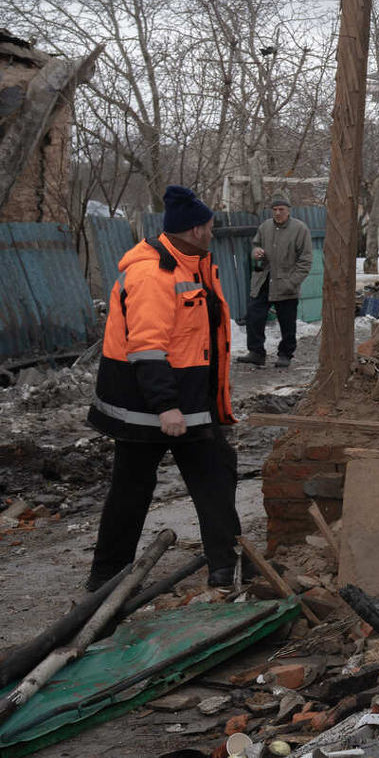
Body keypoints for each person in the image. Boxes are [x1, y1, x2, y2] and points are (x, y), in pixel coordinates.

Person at [88, 185, 242, 590]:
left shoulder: (195, 264)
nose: (213, 232)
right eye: (209, 226)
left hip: (189, 402)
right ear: (194, 230)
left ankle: (225, 568)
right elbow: (147, 348)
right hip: (151, 406)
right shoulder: (152, 274)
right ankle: (106, 578)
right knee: (131, 489)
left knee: (216, 477)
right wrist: (166, 407)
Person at [244, 193, 312, 368]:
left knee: (287, 322)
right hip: (264, 279)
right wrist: (256, 251)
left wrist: (292, 282)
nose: (278, 213)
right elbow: (254, 244)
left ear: (289, 210)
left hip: (286, 282)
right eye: (274, 209)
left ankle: (285, 354)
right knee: (254, 316)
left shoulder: (300, 229)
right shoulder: (265, 227)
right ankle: (256, 352)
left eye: (281, 209)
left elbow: (305, 260)